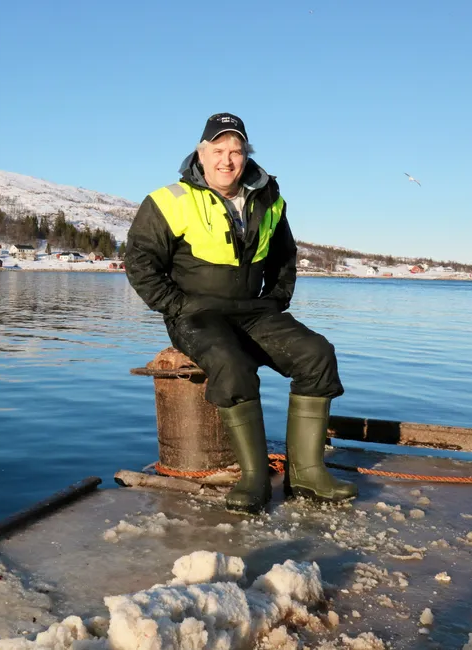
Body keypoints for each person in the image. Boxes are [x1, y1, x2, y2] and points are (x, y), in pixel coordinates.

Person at [124, 112, 358, 513]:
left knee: (317, 356)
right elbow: (139, 260)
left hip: (255, 311)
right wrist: (176, 306)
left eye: (236, 151)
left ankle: (308, 474)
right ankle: (253, 477)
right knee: (231, 366)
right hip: (197, 315)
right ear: (202, 152)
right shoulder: (169, 201)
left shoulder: (269, 200)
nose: (227, 160)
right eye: (218, 150)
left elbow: (284, 257)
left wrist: (277, 299)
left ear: (245, 155)